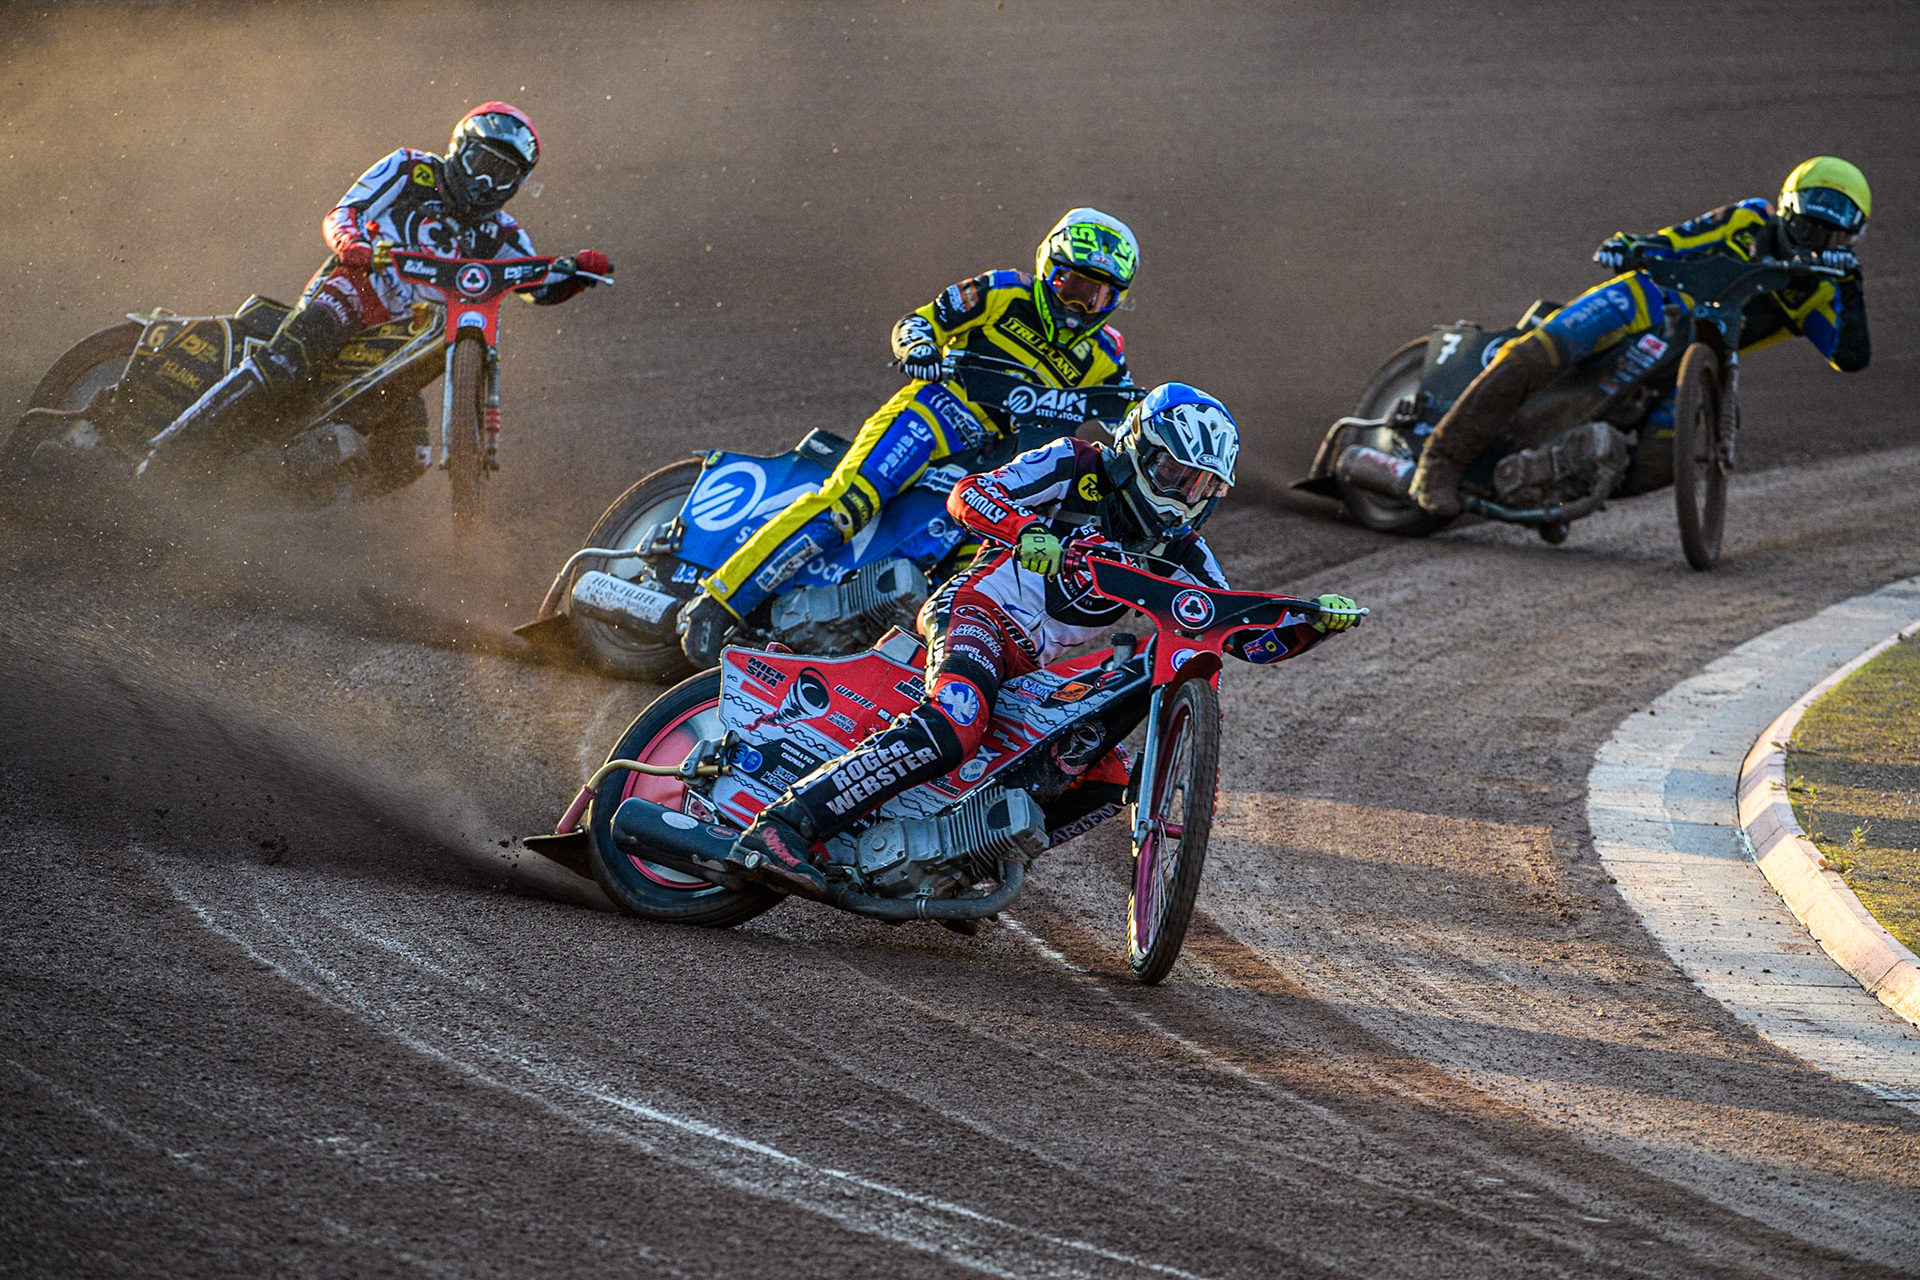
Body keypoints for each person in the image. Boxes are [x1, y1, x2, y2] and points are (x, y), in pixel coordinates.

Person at [717, 382, 1365, 898]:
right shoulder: (1074, 464)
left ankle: (949, 862)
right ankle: (784, 826)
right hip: (974, 609)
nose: (1181, 499)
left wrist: (1310, 625)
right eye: (1174, 475)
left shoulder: (1185, 551)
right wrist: (1026, 528)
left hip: (1033, 669)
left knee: (1104, 780)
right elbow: (971, 495)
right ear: (1137, 449)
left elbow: (1234, 635)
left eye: (1200, 487)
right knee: (957, 719)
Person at [677, 207, 1141, 667]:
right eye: (1071, 286)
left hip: (992, 462)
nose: (1079, 306)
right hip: (934, 413)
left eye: (1098, 296)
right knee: (848, 505)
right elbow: (918, 323)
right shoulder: (1002, 290)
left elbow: (1127, 422)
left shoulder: (1105, 355)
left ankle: (892, 663)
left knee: (971, 567)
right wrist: (918, 348)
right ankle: (716, 603)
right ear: (1046, 269)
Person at [139, 103, 611, 478]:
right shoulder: (410, 169)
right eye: (481, 163)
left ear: (518, 184)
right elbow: (344, 213)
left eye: (503, 174)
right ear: (458, 150)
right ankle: (165, 455)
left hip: (401, 340)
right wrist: (354, 244)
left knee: (408, 458)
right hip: (354, 290)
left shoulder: (502, 233)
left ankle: (298, 499)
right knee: (286, 363)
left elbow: (535, 284)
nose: (487, 181)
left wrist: (577, 274)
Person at [1409, 156, 1872, 519]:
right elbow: (1676, 240)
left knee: (1662, 460)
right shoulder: (1747, 219)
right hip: (1647, 303)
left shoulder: (1825, 295)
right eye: (1808, 227)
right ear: (1787, 210)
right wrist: (1630, 246)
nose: (1815, 243)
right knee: (1545, 351)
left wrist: (1851, 287)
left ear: (1852, 241)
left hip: (1695, 361)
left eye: (1832, 238)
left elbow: (1849, 357)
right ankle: (1440, 461)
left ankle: (1555, 483)